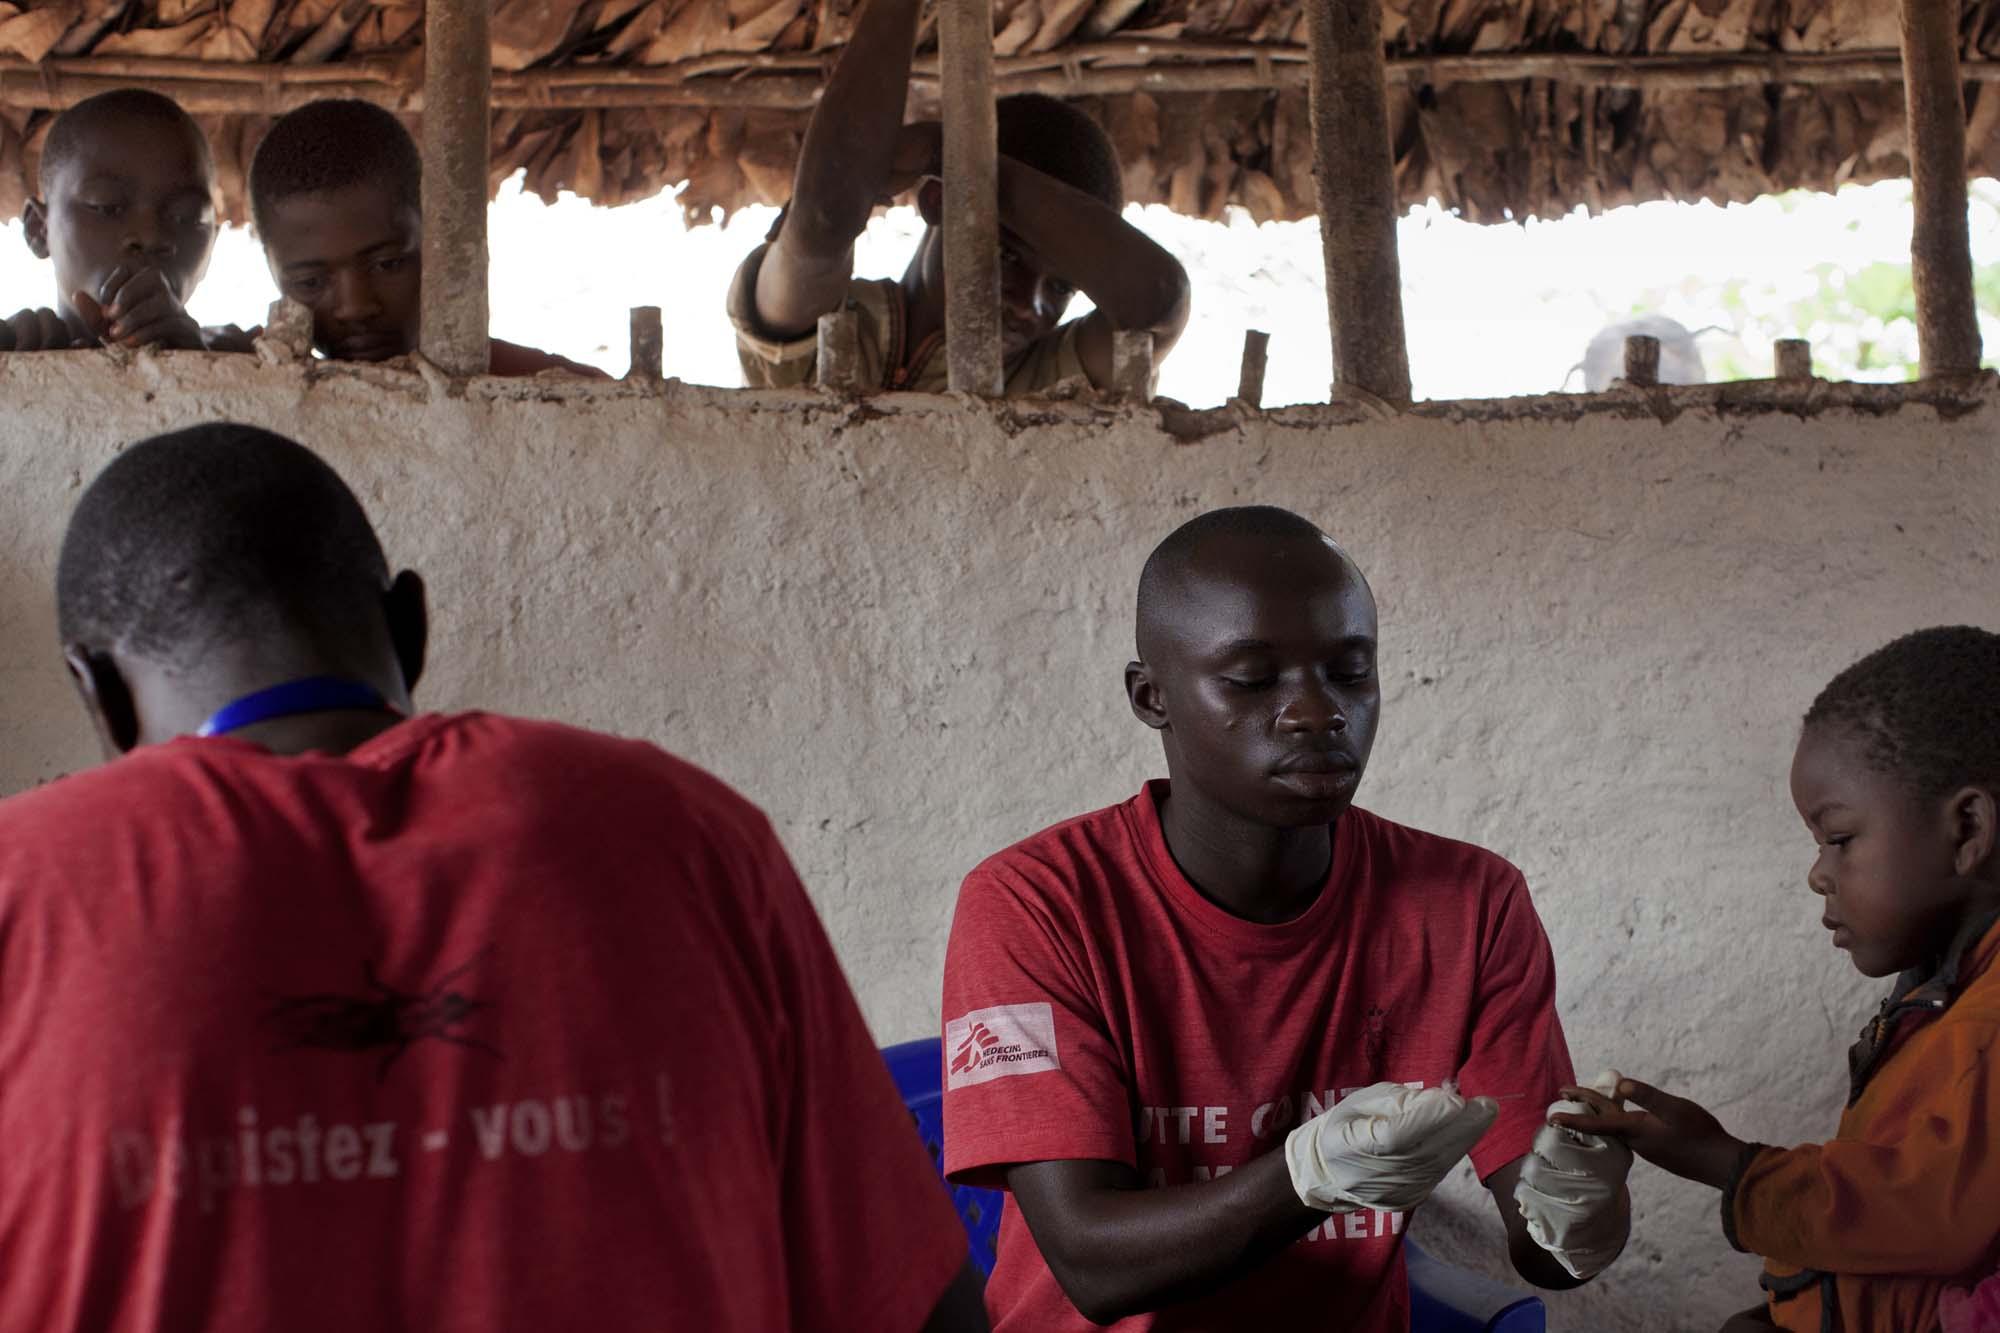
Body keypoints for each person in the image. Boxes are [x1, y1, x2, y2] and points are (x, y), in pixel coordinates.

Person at [0, 422, 985, 1332]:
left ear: (96, 695)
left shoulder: (25, 886)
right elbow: (917, 1309)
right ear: (411, 627)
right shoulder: (685, 836)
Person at [938, 505, 1630, 1330]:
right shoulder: (1036, 903)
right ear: (1151, 696)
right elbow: (1093, 1262)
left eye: (1350, 671)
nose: (1316, 712)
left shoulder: (1471, 903)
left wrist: (1583, 1207)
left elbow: (1546, 1246)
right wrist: (1309, 1172)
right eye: (1253, 679)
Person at [1556, 626, 2000, 1333]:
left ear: (1968, 825)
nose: (1818, 873)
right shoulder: (1945, 987)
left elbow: (1929, 1213)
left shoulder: (1990, 1021)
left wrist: (1729, 1164)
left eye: (1840, 838)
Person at [729, 0, 1189, 394]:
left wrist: (946, 154)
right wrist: (962, 170)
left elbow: (1159, 303)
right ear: (935, 203)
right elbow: (824, 219)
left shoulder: (1056, 377)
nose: (1030, 305)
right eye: (1008, 256)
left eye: (1061, 288)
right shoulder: (828, 328)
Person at [246, 100, 606, 376]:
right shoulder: (238, 384)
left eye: (388, 264)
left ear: (434, 236)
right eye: (310, 281)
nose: (355, 306)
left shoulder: (566, 400)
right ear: (269, 265)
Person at [4, 89, 232, 352]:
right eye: (107, 206)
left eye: (185, 216)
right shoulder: (13, 357)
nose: (150, 236)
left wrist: (197, 365)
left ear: (213, 243)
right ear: (38, 230)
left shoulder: (248, 373)